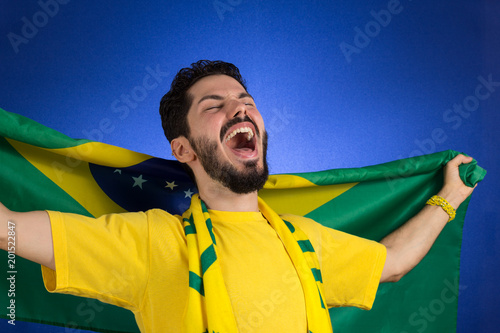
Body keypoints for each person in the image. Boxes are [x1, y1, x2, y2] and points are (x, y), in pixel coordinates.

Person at [0, 60, 476, 333]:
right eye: (215, 105)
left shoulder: (305, 243)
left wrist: (449, 197)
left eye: (246, 101)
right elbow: (10, 230)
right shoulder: (151, 240)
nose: (239, 107)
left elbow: (391, 263)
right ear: (182, 149)